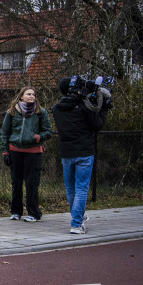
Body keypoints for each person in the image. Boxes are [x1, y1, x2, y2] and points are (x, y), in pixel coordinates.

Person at [51, 77, 110, 234]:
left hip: (66, 152)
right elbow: (96, 125)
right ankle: (76, 223)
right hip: (84, 152)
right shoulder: (84, 107)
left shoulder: (56, 109)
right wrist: (104, 107)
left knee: (71, 189)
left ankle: (77, 219)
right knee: (81, 188)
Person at [0, 87, 53, 222]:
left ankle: (34, 213)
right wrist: (5, 151)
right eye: (28, 94)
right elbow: (4, 133)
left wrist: (36, 137)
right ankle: (16, 212)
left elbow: (48, 132)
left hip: (33, 152)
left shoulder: (41, 112)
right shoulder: (12, 112)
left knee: (32, 183)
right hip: (15, 151)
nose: (32, 96)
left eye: (33, 94)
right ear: (21, 96)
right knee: (16, 183)